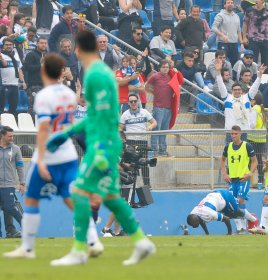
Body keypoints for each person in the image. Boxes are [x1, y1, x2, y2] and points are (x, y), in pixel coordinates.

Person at [46, 31, 155, 266]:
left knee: (79, 191)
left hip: (102, 143)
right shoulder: (100, 73)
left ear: (78, 50)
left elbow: (100, 116)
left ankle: (80, 250)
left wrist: (65, 133)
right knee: (109, 196)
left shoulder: (95, 75)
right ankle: (140, 241)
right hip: (105, 141)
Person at [3, 53, 102, 260]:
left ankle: (27, 246)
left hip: (49, 153)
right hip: (68, 153)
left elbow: (44, 129)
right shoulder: (67, 94)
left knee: (30, 198)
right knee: (70, 198)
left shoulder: (43, 96)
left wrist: (40, 160)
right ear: (61, 72)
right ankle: (92, 239)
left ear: (43, 71)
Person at [214, 58, 266, 142]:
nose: (237, 91)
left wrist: (260, 75)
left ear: (241, 90)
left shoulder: (246, 98)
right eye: (235, 89)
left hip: (244, 132)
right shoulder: (227, 98)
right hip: (230, 132)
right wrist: (218, 72)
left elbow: (255, 87)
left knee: (244, 154)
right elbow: (220, 85)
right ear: (232, 90)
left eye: (239, 89)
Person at [220, 125, 258, 233]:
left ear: (240, 134)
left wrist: (250, 173)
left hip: (243, 179)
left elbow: (255, 161)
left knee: (239, 200)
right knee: (233, 203)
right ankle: (240, 227)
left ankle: (251, 220)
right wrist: (225, 174)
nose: (233, 136)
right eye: (232, 134)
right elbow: (222, 160)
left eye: (236, 133)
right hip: (232, 180)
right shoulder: (228, 147)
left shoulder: (247, 146)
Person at [145, 59, 184, 157]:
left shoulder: (171, 75)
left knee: (164, 130)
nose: (166, 69)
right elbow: (146, 86)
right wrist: (154, 92)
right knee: (156, 129)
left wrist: (176, 71)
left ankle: (163, 151)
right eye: (163, 67)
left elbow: (181, 81)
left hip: (168, 108)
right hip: (158, 107)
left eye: (167, 67)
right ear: (159, 68)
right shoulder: (155, 76)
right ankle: (154, 151)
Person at [120, 93, 157, 187]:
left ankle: (147, 184)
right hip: (131, 143)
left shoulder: (144, 112)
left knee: (144, 163)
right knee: (129, 164)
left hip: (142, 142)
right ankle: (127, 183)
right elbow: (119, 128)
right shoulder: (125, 114)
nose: (133, 103)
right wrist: (123, 138)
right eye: (131, 101)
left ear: (138, 102)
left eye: (135, 101)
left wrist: (150, 127)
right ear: (128, 103)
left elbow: (154, 122)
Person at [187, 189, 257, 235]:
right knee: (231, 216)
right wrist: (207, 234)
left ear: (196, 220)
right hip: (217, 198)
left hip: (224, 196)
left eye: (193, 224)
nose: (193, 227)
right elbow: (201, 221)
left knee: (236, 212)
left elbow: (226, 219)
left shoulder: (208, 213)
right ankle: (248, 215)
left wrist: (229, 233)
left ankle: (253, 219)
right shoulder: (194, 212)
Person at [0, 126, 24, 238]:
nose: (12, 138)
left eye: (13, 136)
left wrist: (22, 183)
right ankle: (9, 232)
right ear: (3, 135)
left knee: (9, 207)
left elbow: (20, 167)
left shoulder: (15, 149)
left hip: (9, 184)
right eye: (9, 136)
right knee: (6, 208)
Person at [243, 0, 268, 71]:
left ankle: (264, 78)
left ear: (263, 1)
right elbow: (245, 24)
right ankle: (253, 79)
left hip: (265, 39)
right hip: (253, 39)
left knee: (265, 61)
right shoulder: (249, 10)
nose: (257, 1)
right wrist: (244, 37)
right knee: (253, 61)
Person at [0, 37, 26, 121]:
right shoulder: (1, 55)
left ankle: (12, 127)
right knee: (1, 108)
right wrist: (2, 58)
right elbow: (4, 64)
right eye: (6, 45)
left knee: (13, 108)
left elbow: (19, 69)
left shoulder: (15, 54)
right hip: (4, 86)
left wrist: (23, 81)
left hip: (15, 85)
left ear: (13, 45)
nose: (8, 46)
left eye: (10, 45)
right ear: (3, 46)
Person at [212, 0, 244, 66]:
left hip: (234, 44)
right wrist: (222, 35)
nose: (230, 4)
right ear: (224, 5)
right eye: (228, 3)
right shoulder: (220, 15)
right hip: (223, 44)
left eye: (232, 3)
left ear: (234, 5)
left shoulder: (236, 16)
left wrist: (241, 43)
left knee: (234, 64)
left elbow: (239, 31)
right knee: (222, 64)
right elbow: (213, 28)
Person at [23, 36, 47, 116]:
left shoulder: (47, 55)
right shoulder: (31, 55)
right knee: (34, 109)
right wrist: (40, 66)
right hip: (35, 86)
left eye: (45, 43)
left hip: (46, 86)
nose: (44, 45)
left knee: (44, 109)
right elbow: (27, 68)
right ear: (37, 44)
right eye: (42, 43)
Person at [248, 93, 267, 186]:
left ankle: (248, 178)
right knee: (259, 159)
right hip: (262, 138)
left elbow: (252, 125)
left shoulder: (254, 109)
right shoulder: (261, 109)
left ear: (254, 101)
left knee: (251, 159)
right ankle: (261, 179)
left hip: (253, 138)